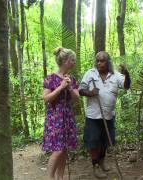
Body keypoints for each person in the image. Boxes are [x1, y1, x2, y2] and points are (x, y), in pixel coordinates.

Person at [79, 51, 130, 178]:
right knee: (94, 141)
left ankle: (102, 162)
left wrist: (127, 74)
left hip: (108, 115)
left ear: (108, 62)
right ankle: (95, 166)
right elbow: (80, 90)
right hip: (93, 116)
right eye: (97, 60)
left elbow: (126, 86)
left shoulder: (115, 75)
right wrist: (90, 93)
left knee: (105, 141)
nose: (99, 63)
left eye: (102, 61)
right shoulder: (90, 73)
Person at [42, 47, 79, 180]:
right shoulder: (50, 78)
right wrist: (61, 87)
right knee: (58, 150)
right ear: (64, 61)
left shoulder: (72, 79)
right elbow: (46, 99)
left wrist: (69, 87)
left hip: (67, 117)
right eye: (72, 60)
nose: (74, 62)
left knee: (64, 150)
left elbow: (77, 98)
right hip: (55, 118)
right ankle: (50, 178)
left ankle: (60, 178)